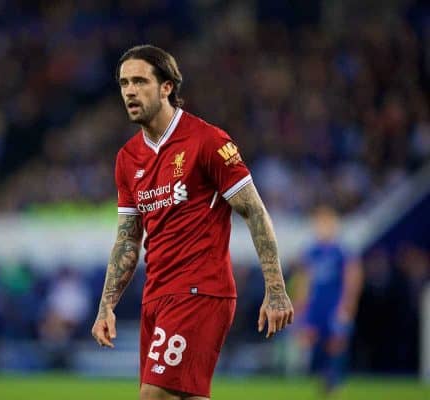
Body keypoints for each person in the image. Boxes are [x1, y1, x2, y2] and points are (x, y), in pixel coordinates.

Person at [91, 45, 294, 400]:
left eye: (140, 81)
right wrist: (106, 304)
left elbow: (254, 211)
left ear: (167, 87)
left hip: (200, 290)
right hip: (157, 295)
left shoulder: (208, 141)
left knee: (154, 396)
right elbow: (127, 240)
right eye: (124, 82)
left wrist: (275, 289)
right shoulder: (127, 159)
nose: (129, 91)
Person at [293, 205, 363, 396]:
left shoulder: (342, 250)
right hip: (315, 306)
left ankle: (336, 381)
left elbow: (352, 278)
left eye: (326, 222)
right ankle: (325, 379)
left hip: (334, 305)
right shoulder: (311, 251)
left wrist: (348, 304)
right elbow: (303, 280)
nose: (322, 227)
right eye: (319, 223)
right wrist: (300, 305)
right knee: (314, 341)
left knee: (336, 342)